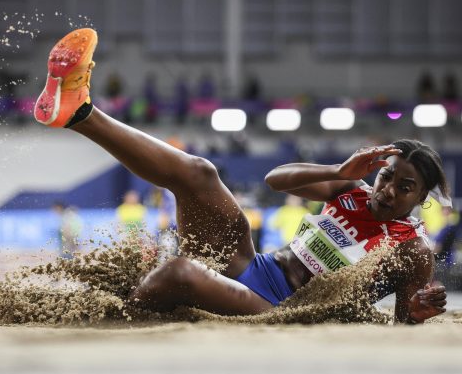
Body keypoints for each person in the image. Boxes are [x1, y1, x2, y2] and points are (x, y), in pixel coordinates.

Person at [34, 28, 447, 323]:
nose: (389, 189)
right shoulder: (349, 189)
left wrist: (419, 310)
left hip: (278, 306)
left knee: (179, 272)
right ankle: (79, 112)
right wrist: (339, 170)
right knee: (199, 171)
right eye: (387, 177)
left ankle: (112, 315)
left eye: (405, 187)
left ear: (421, 197)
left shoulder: (413, 250)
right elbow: (276, 179)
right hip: (253, 265)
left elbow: (405, 316)